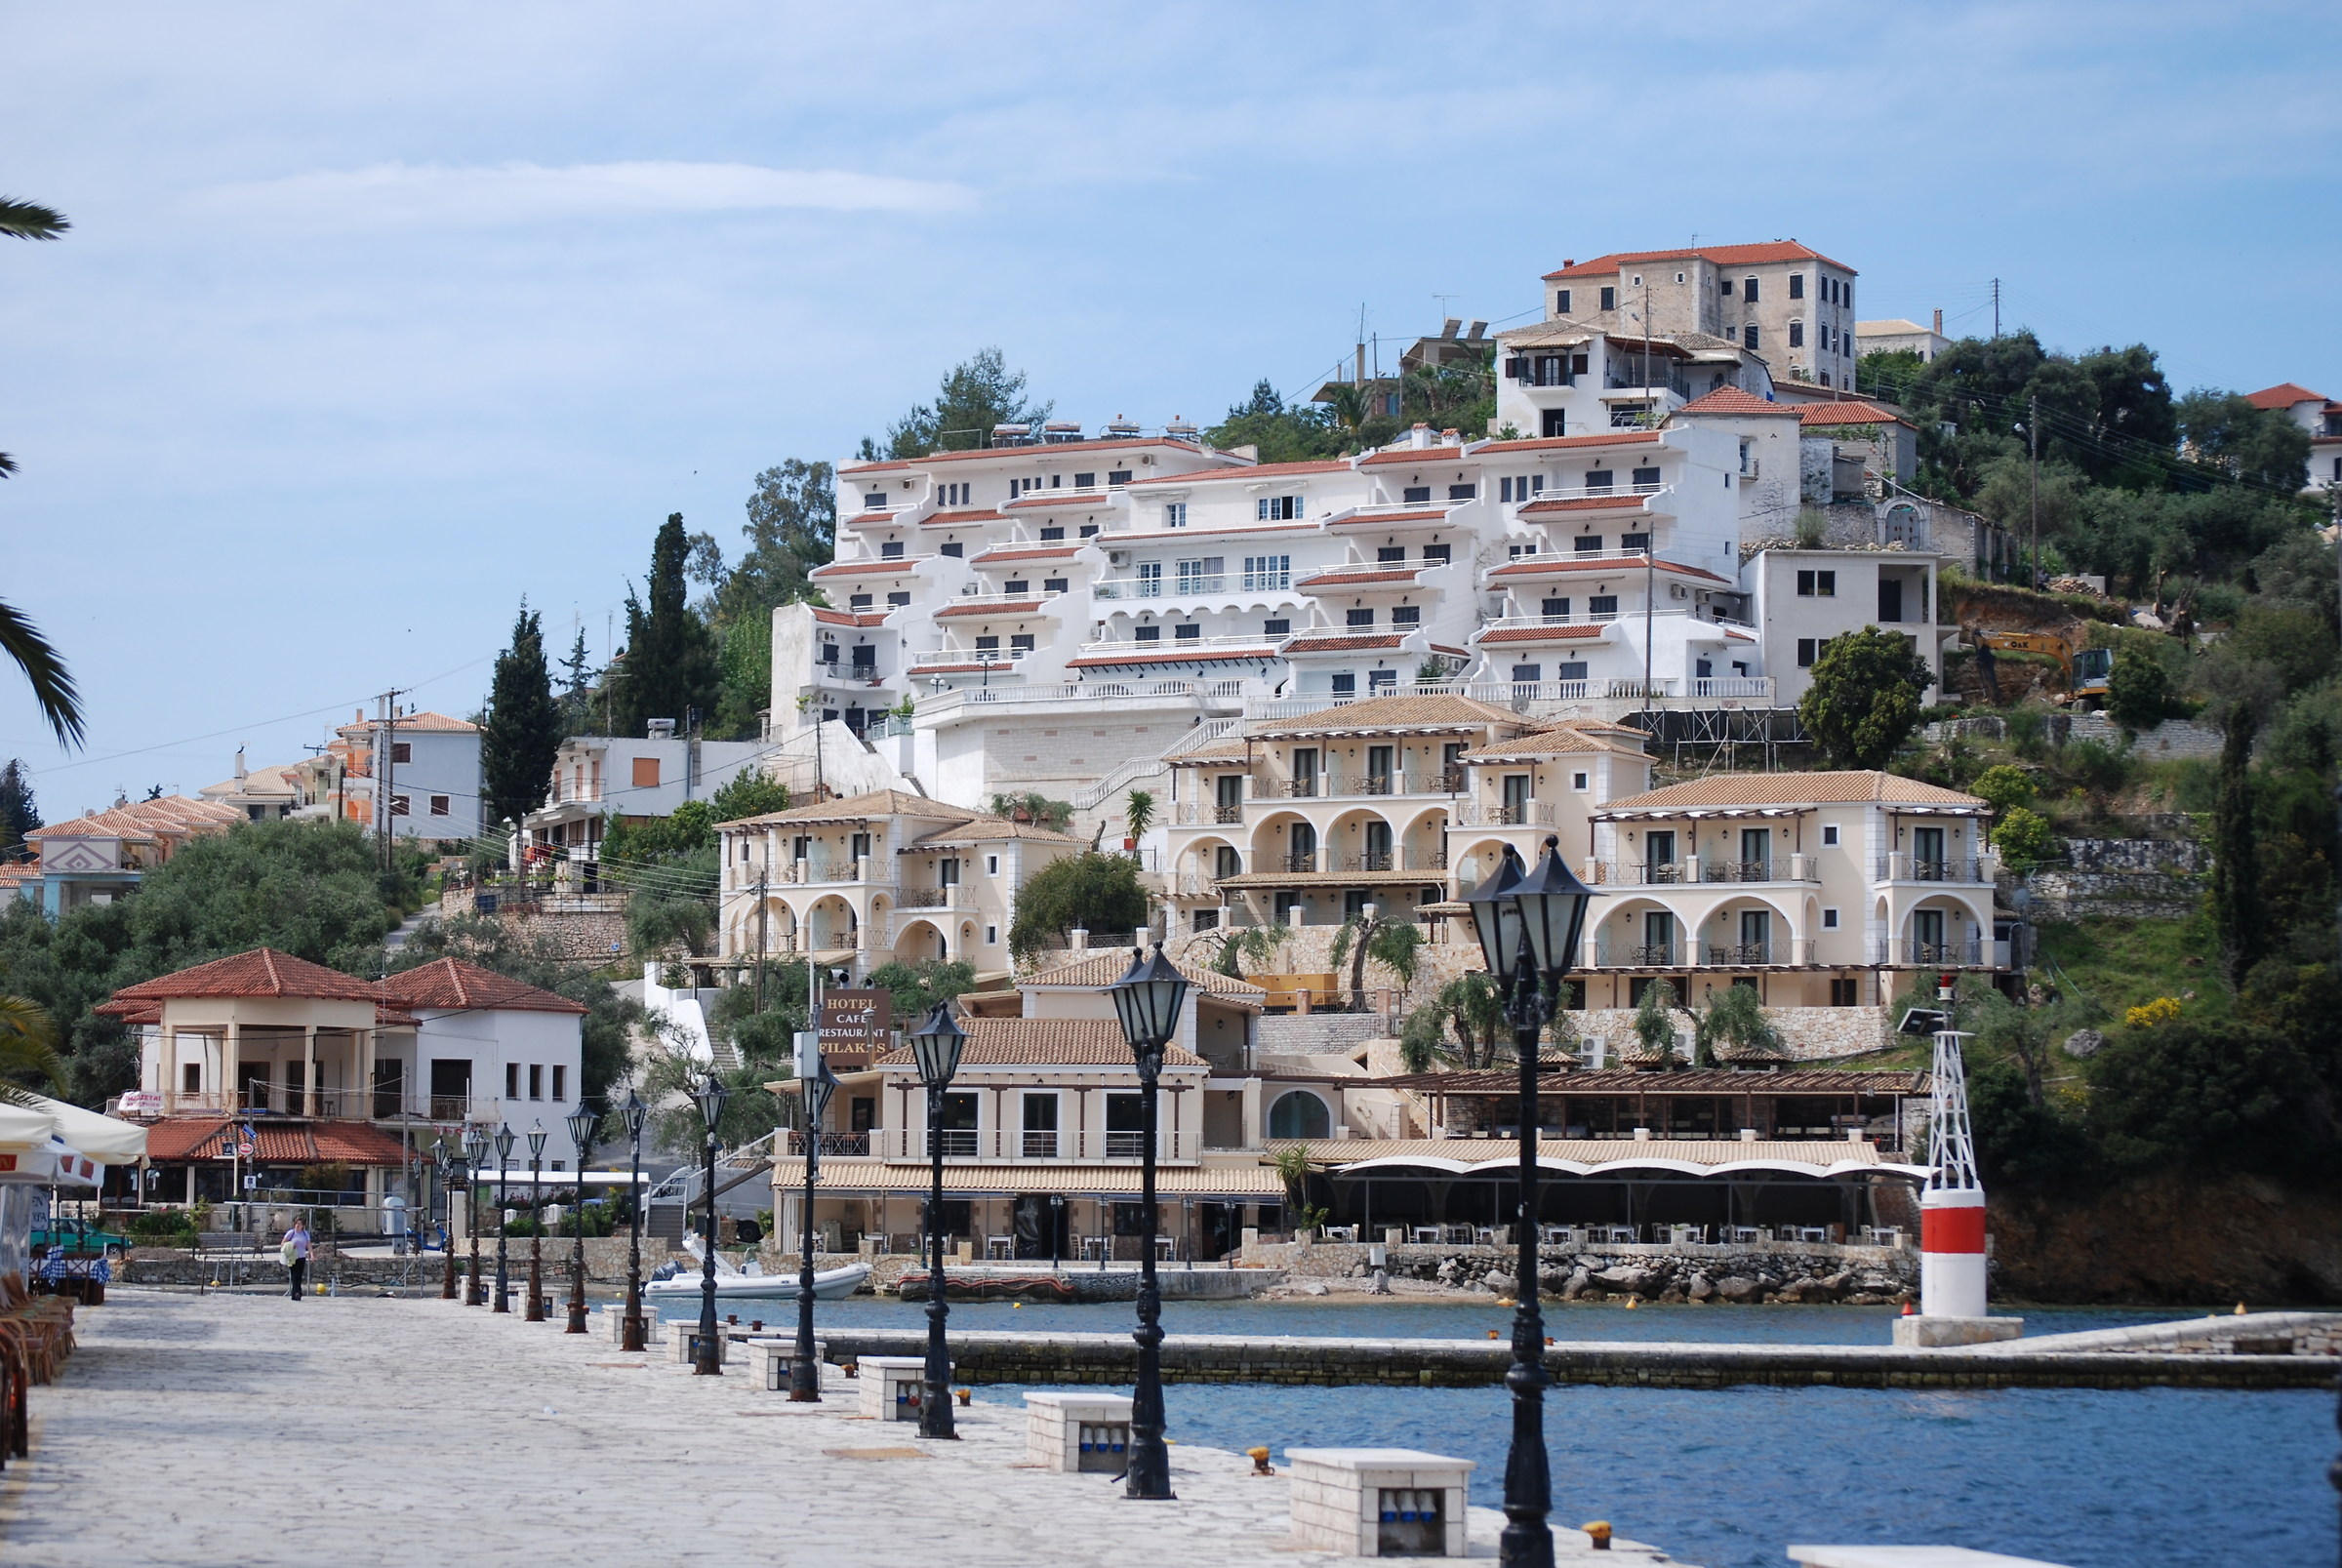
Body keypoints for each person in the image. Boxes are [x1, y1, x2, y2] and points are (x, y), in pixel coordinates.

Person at [283, 1220, 312, 1300]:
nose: (297, 1225)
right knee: (294, 1276)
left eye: (299, 1224)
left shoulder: (305, 1234)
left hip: (301, 1257)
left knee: (299, 1276)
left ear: (303, 1226)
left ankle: (297, 1293)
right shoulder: (291, 1233)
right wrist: (291, 1245)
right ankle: (296, 1293)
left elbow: (309, 1245)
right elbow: (283, 1244)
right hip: (292, 1257)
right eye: (296, 1224)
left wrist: (312, 1254)